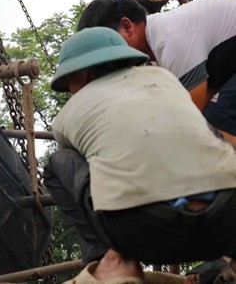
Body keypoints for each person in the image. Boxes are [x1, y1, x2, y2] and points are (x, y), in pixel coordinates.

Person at [43, 27, 236, 283]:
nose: (70, 91)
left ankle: (109, 261)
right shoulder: (166, 80)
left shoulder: (65, 117)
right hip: (226, 224)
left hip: (145, 233)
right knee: (208, 137)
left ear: (83, 72)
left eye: (69, 82)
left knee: (58, 164)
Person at [77, 0, 236, 147]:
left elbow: (192, 111)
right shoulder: (154, 56)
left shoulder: (169, 37)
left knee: (214, 122)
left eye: (108, 45)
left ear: (127, 26)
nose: (109, 60)